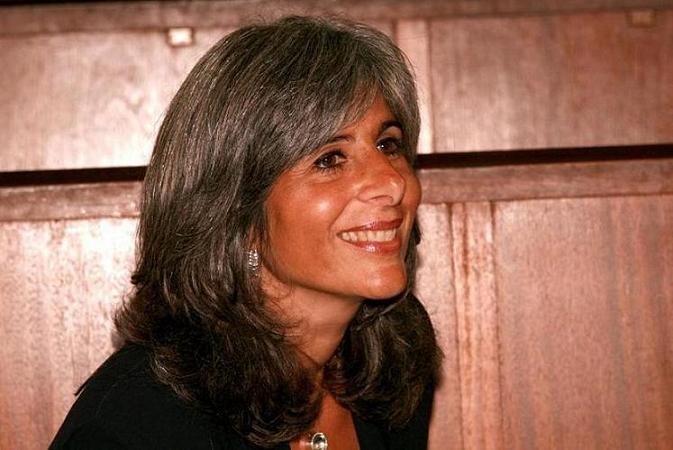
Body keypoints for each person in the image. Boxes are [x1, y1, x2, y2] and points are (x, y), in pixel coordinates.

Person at [50, 15, 441, 450]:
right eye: (330, 159)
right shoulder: (140, 422)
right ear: (237, 211)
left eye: (388, 144)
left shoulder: (392, 360)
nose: (392, 182)